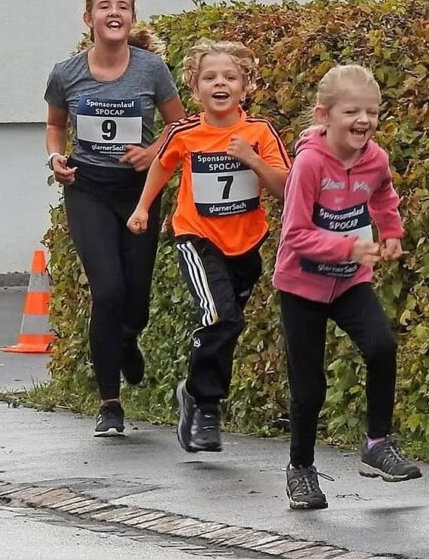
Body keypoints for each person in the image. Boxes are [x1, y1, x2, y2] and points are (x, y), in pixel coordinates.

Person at [128, 40, 291, 452]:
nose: (220, 83)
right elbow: (162, 167)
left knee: (229, 324)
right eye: (210, 78)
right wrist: (143, 209)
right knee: (220, 317)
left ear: (245, 86)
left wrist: (252, 160)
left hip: (246, 245)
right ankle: (206, 407)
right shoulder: (185, 133)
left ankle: (194, 393)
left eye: (230, 77)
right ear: (195, 89)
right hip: (196, 239)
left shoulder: (259, 132)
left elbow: (286, 189)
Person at [273, 65, 421, 510]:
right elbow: (295, 234)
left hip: (348, 282)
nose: (364, 120)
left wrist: (391, 233)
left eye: (372, 112)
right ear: (324, 115)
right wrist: (349, 247)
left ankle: (376, 443)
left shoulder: (375, 157)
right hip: (301, 284)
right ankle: (301, 470)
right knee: (309, 386)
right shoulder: (309, 164)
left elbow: (384, 194)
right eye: (352, 111)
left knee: (381, 347)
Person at [44, 0, 185, 437]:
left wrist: (152, 153)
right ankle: (109, 403)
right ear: (89, 19)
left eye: (122, 6)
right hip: (88, 189)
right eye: (104, 6)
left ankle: (128, 338)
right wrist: (55, 158)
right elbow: (53, 126)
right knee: (107, 291)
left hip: (139, 190)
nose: (113, 13)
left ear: (131, 18)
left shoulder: (151, 69)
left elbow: (178, 125)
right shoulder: (66, 73)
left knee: (136, 300)